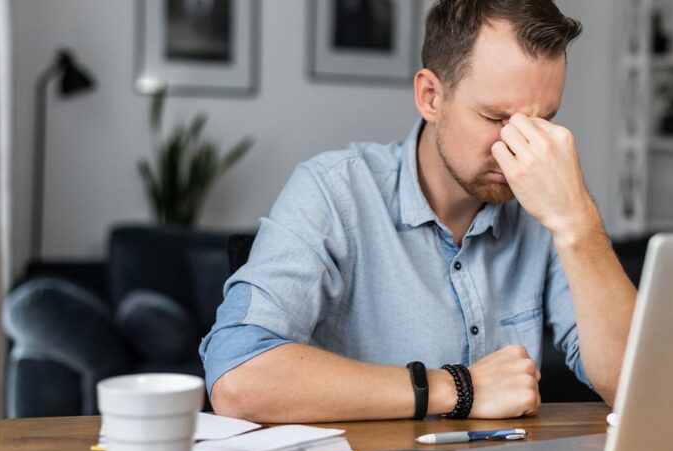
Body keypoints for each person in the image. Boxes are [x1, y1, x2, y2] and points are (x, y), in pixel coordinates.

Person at [200, 0, 637, 423]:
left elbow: (634, 387)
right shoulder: (334, 191)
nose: (517, 149)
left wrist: (577, 222)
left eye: (543, 121)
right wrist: (458, 388)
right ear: (430, 96)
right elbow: (237, 377)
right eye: (495, 117)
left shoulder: (552, 206)